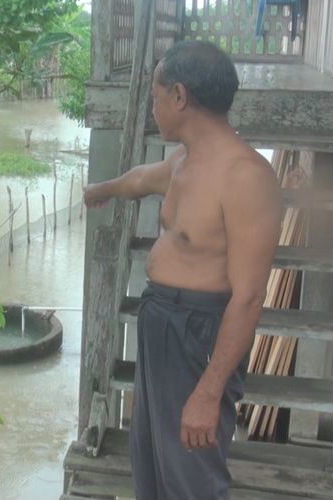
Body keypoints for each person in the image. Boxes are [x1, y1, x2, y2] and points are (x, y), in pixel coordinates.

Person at [83, 41, 283, 499]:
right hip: (160, 322)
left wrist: (209, 392)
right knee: (152, 464)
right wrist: (104, 188)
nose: (153, 108)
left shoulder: (246, 178)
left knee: (192, 473)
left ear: (178, 96)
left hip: (200, 333)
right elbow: (139, 179)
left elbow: (249, 296)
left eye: (154, 97)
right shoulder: (183, 162)